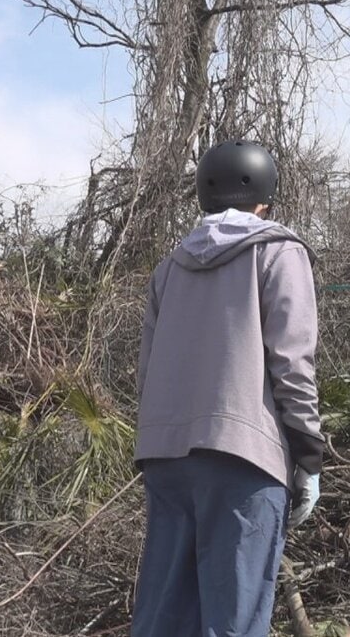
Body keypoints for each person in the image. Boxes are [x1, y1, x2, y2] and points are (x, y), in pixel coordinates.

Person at [132, 139, 323, 636]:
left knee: (163, 617)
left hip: (166, 460)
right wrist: (308, 455)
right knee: (233, 619)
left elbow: (147, 371)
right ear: (265, 197)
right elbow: (292, 362)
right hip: (243, 460)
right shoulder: (278, 251)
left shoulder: (169, 267)